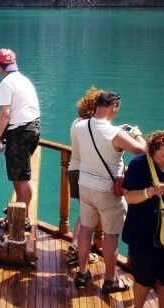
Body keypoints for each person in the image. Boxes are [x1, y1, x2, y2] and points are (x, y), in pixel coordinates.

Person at [72, 91, 145, 292]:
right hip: (107, 191)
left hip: (85, 185)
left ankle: (81, 273)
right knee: (110, 236)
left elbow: (98, 133)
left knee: (86, 229)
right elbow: (143, 152)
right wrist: (136, 134)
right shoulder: (115, 134)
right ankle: (110, 281)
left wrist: (118, 130)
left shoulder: (80, 126)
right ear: (114, 107)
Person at [0, 48, 41, 223]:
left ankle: (23, 218)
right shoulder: (24, 80)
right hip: (33, 128)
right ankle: (18, 213)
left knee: (23, 177)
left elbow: (5, 113)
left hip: (20, 131)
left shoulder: (6, 84)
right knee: (18, 174)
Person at [123, 130, 164, 307]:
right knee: (143, 279)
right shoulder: (139, 164)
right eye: (163, 155)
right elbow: (128, 196)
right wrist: (151, 191)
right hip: (143, 235)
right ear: (153, 149)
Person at [66, 86, 102, 266]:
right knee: (88, 215)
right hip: (84, 173)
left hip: (73, 170)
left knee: (85, 213)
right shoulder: (90, 127)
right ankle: (77, 249)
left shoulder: (77, 123)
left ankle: (75, 247)